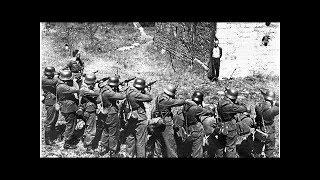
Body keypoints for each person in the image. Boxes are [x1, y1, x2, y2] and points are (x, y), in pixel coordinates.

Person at [214, 87, 253, 158]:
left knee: (220, 145)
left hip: (221, 126)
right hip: (230, 127)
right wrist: (241, 103)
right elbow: (245, 109)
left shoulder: (221, 101)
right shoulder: (229, 106)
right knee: (231, 147)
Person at [150, 85, 187, 158]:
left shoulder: (159, 96)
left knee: (159, 142)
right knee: (170, 144)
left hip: (159, 121)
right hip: (166, 122)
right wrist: (184, 100)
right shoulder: (165, 100)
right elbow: (176, 102)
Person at [124, 78, 152, 158]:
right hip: (140, 119)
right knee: (141, 141)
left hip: (131, 118)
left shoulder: (129, 90)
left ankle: (129, 155)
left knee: (130, 139)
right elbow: (149, 98)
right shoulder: (136, 94)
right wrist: (146, 90)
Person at [98, 76, 126, 157]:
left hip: (105, 114)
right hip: (111, 114)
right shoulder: (108, 93)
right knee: (113, 133)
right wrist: (122, 88)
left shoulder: (104, 88)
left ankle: (103, 148)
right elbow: (122, 96)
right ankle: (112, 151)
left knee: (105, 131)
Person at [180, 91, 214, 158]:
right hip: (196, 130)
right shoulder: (196, 108)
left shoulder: (185, 106)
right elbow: (209, 112)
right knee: (197, 152)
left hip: (188, 129)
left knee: (189, 149)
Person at [56, 70, 80, 149]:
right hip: (68, 108)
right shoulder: (63, 86)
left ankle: (68, 137)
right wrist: (76, 82)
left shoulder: (60, 84)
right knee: (70, 125)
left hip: (66, 107)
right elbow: (76, 89)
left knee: (71, 123)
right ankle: (67, 143)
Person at [253, 90, 279, 158]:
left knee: (257, 150)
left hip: (260, 130)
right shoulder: (273, 110)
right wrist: (275, 103)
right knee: (269, 151)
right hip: (270, 131)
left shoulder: (258, 106)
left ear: (265, 98)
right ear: (272, 99)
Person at [79, 73, 100, 153]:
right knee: (91, 130)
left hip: (86, 110)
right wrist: (97, 87)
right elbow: (97, 94)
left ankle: (87, 142)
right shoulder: (84, 89)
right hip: (89, 111)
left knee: (88, 128)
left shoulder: (85, 87)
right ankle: (88, 146)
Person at [41, 66, 59, 145]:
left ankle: (52, 135)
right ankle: (47, 140)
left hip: (52, 100)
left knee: (54, 118)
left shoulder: (48, 78)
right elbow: (55, 81)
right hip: (50, 101)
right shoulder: (45, 80)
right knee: (50, 121)